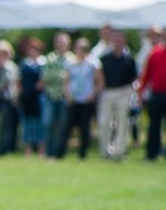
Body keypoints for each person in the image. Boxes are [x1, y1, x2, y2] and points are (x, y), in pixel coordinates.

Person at [58, 38, 103, 160]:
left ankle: (83, 153)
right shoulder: (70, 63)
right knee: (66, 127)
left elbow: (99, 81)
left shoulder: (93, 63)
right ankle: (60, 153)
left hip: (86, 100)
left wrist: (92, 95)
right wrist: (68, 95)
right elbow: (66, 81)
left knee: (84, 127)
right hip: (73, 100)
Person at [97, 30, 137, 160]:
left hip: (123, 92)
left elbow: (133, 78)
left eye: (120, 39)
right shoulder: (104, 58)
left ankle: (119, 151)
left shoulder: (129, 59)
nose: (117, 42)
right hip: (107, 92)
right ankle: (105, 151)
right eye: (115, 40)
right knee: (104, 122)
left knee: (122, 123)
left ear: (124, 41)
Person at [40, 32, 74, 158]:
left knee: (62, 126)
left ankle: (58, 152)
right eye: (59, 42)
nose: (61, 45)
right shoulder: (49, 58)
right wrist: (62, 76)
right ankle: (48, 152)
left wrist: (61, 77)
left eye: (63, 43)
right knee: (48, 124)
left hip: (65, 97)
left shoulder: (72, 59)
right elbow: (45, 77)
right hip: (50, 96)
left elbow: (72, 78)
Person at [135, 26, 166, 161]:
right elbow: (146, 75)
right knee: (154, 125)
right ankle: (151, 153)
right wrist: (141, 93)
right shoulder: (155, 53)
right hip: (156, 94)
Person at [18, 37, 46, 157]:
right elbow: (19, 81)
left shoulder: (43, 63)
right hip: (26, 98)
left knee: (40, 125)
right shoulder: (24, 64)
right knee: (27, 125)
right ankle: (28, 151)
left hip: (39, 98)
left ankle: (41, 150)